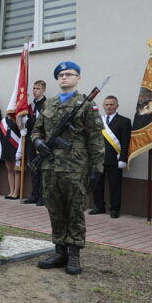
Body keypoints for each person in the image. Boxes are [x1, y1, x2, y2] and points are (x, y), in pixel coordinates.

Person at [32, 61, 104, 275]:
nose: (64, 77)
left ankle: (74, 254)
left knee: (74, 210)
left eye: (69, 74)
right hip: (50, 166)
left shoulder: (86, 105)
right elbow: (36, 130)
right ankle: (59, 250)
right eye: (61, 75)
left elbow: (95, 138)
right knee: (55, 209)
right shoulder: (48, 104)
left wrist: (96, 167)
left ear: (78, 78)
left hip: (75, 166)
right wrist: (37, 142)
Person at [90, 96, 131, 218]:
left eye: (111, 104)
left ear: (116, 106)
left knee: (115, 186)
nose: (109, 107)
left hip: (115, 159)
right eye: (106, 104)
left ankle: (114, 209)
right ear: (103, 106)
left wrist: (123, 158)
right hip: (98, 159)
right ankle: (99, 207)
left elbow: (126, 142)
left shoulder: (124, 121)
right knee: (97, 184)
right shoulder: (98, 120)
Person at [22, 80, 48, 206]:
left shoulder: (46, 104)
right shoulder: (31, 105)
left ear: (43, 90)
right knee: (33, 166)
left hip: (42, 140)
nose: (34, 91)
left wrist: (28, 121)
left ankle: (43, 196)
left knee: (42, 168)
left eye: (37, 88)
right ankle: (34, 194)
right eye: (33, 88)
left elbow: (40, 123)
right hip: (31, 139)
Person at [0, 113, 21, 199]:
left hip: (15, 147)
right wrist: (0, 149)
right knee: (9, 170)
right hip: (6, 147)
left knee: (16, 170)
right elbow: (0, 136)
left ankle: (16, 192)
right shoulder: (3, 121)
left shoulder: (17, 119)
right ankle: (11, 191)